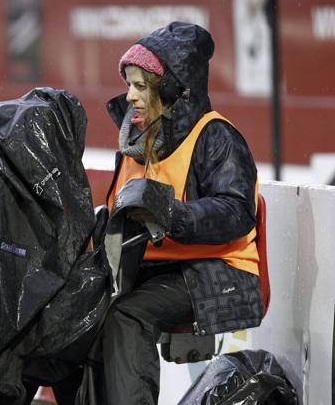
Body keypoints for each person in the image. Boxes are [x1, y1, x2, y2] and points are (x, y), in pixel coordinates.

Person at [102, 22, 264, 404]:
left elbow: (237, 211)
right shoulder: (137, 142)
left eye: (141, 86)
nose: (129, 96)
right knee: (82, 307)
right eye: (129, 84)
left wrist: (172, 215)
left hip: (221, 270)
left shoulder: (216, 135)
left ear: (173, 89)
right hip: (160, 268)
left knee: (127, 315)